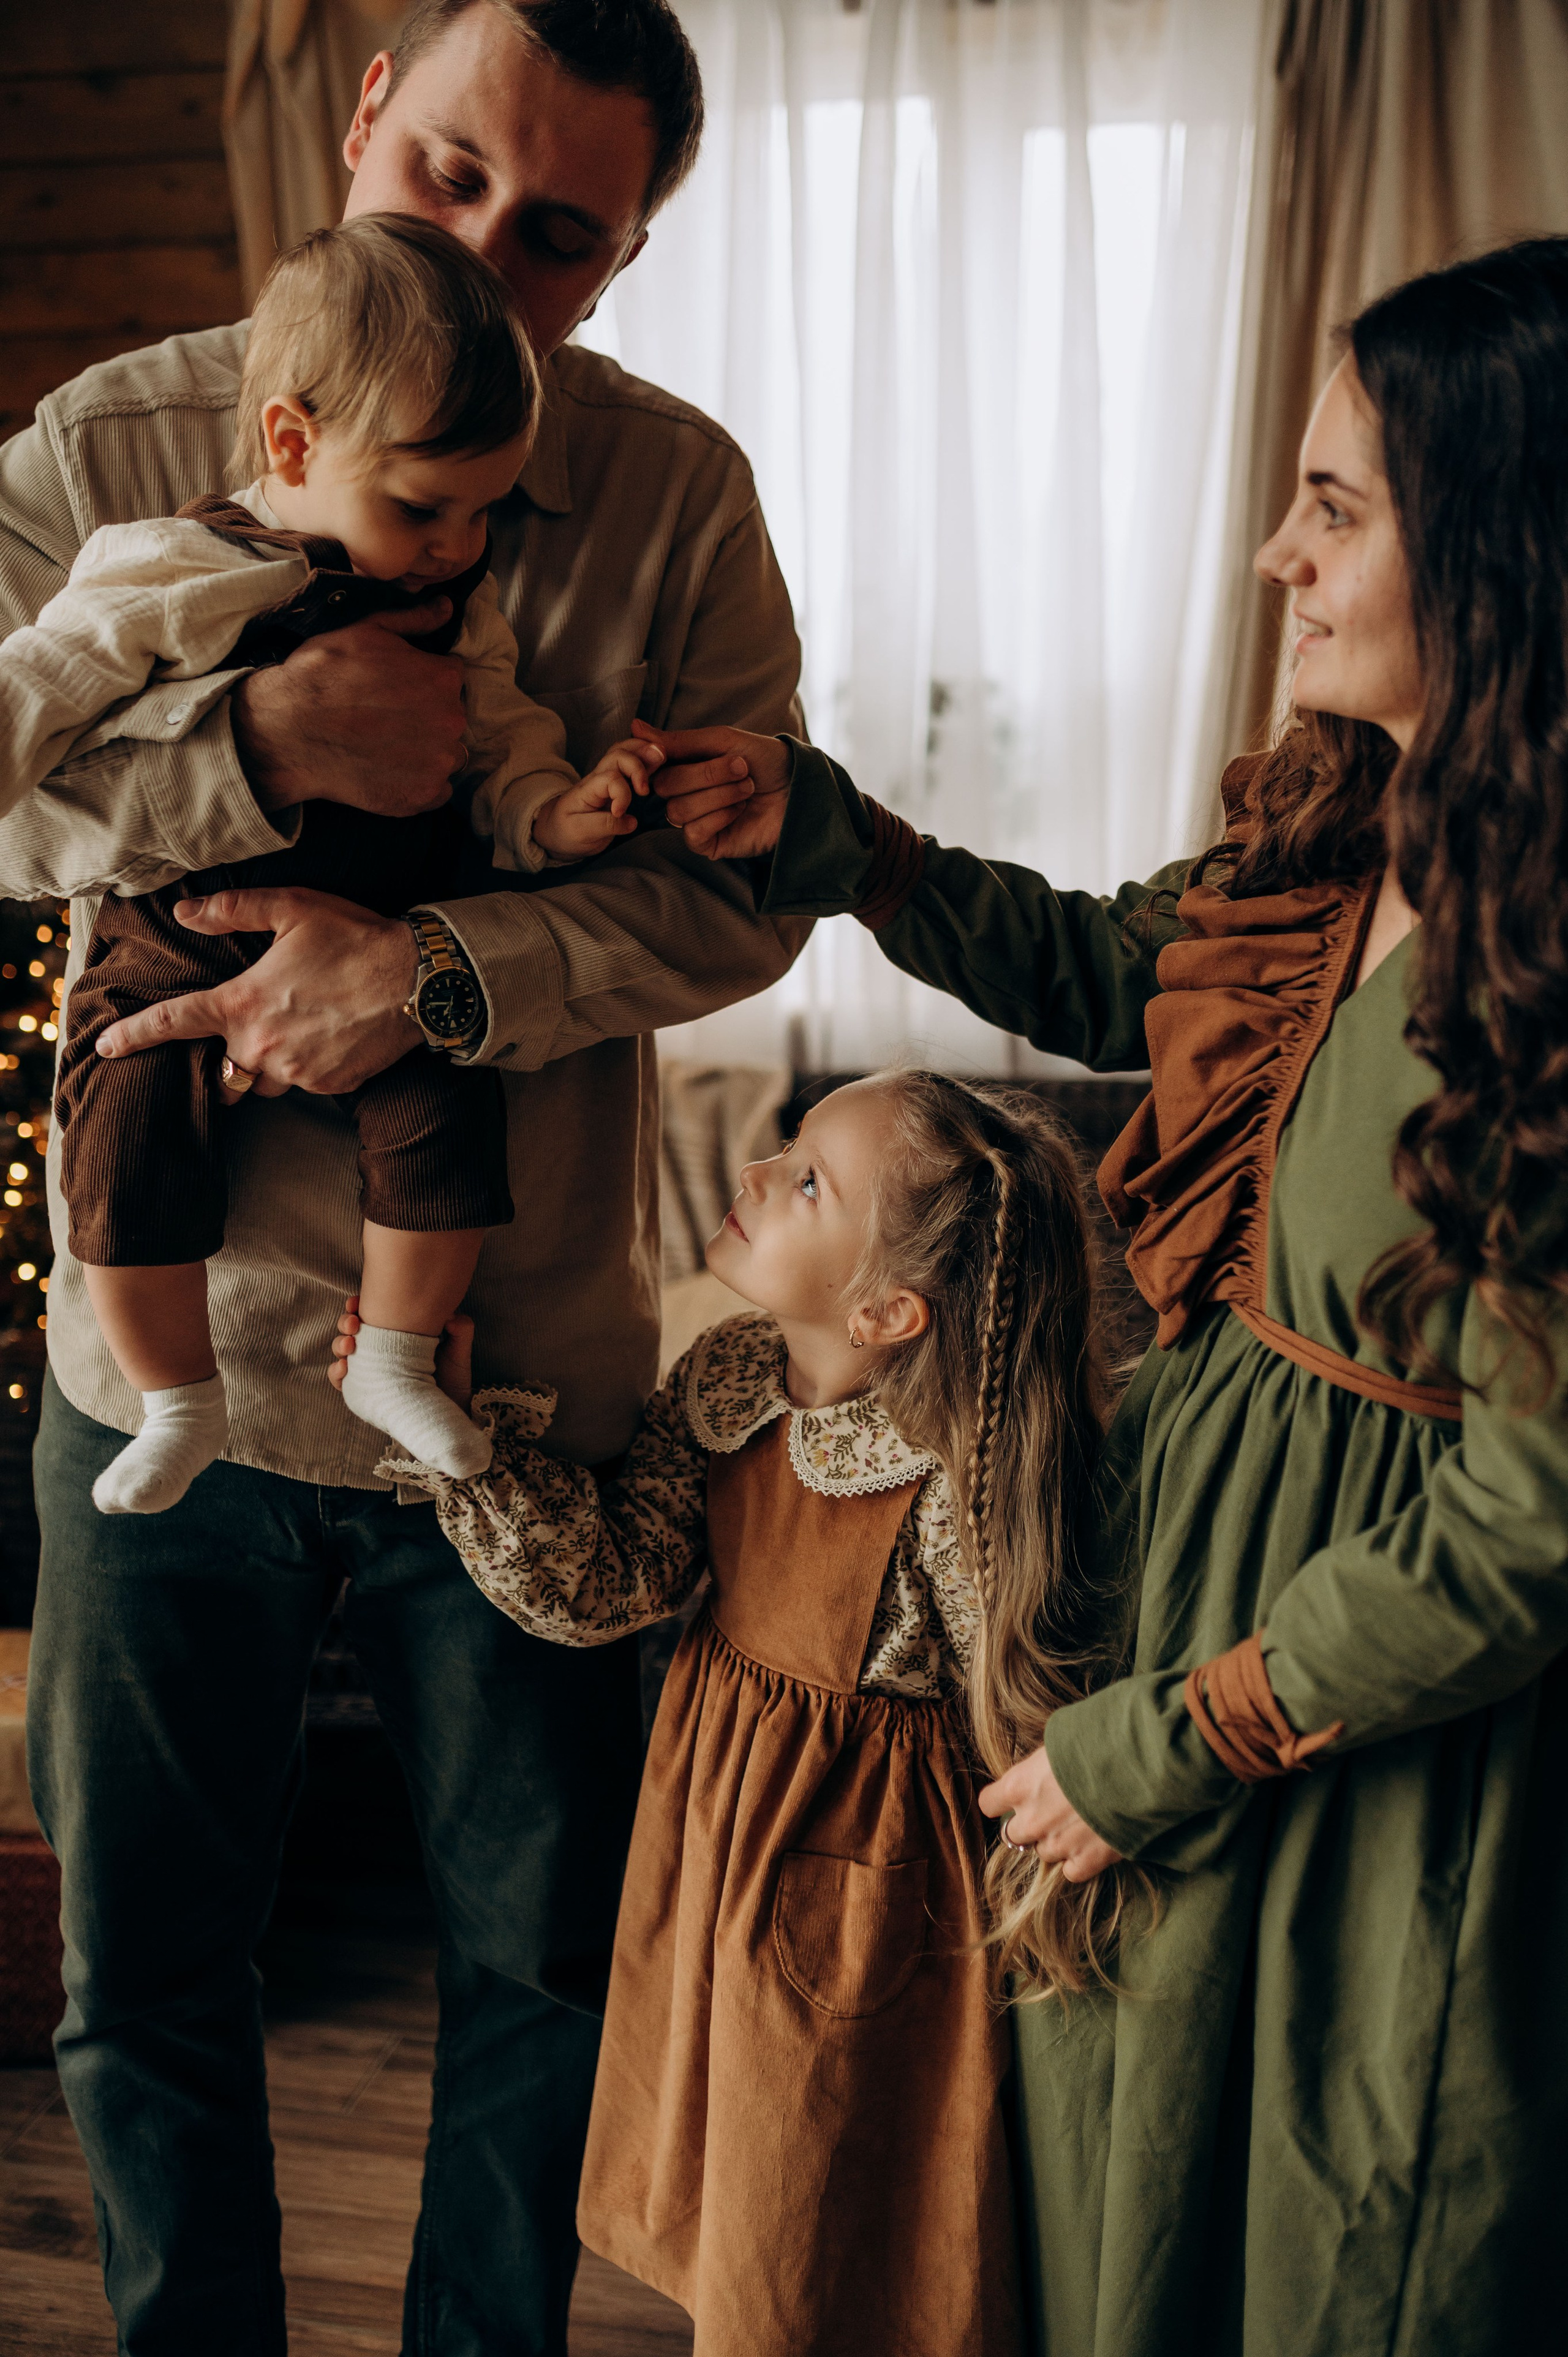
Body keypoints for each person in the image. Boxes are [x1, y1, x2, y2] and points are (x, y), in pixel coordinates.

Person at [649, 238, 1568, 2351]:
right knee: (1112, 2198)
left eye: (1336, 507)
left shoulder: (1547, 963)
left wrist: (1173, 1732)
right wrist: (842, 839)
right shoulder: (1346, 834)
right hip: (1161, 1627)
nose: (1274, 553)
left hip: (1359, 1727)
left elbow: (1529, 1520)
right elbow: (1108, 975)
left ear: (1512, 544)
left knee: (1347, 2232)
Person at [6, 3, 805, 2348]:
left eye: (560, 232)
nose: (484, 244)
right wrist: (244, 746)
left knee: (538, 1971)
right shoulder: (117, 445)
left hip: (525, 1375)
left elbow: (738, 904)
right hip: (158, 1371)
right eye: (446, 172)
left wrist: (425, 968)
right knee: (142, 1973)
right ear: (365, 108)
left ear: (631, 248)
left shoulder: (680, 498)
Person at [333, 1068, 1115, 2357]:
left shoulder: (945, 1478)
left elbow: (1018, 1719)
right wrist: (464, 1441)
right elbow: (612, 1583)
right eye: (783, 1150)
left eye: (805, 1180)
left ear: (885, 1309)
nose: (754, 1174)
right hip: (715, 1831)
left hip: (860, 1886)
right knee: (732, 2172)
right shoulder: (730, 1371)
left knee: (809, 2195)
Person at [13, 214, 665, 1512]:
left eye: (484, 511)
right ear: (293, 444)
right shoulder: (173, 562)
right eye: (426, 508)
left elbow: (503, 732)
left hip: (401, 931)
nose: (461, 545)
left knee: (445, 1127)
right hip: (180, 938)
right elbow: (49, 679)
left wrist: (556, 810)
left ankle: (397, 1357)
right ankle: (177, 1398)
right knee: (121, 1143)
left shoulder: (454, 600)